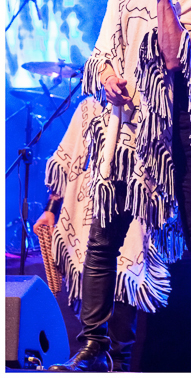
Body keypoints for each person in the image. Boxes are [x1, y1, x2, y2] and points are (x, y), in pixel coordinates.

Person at [47, 0, 191, 372]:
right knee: (102, 241)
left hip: (184, 139)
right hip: (128, 137)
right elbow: (102, 51)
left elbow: (175, 58)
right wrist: (108, 76)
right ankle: (95, 347)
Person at [34, 97, 169, 372]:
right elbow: (68, 158)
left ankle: (119, 365)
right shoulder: (89, 108)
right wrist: (50, 209)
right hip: (91, 210)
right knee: (95, 283)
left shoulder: (147, 103)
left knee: (124, 289)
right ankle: (91, 355)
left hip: (132, 211)